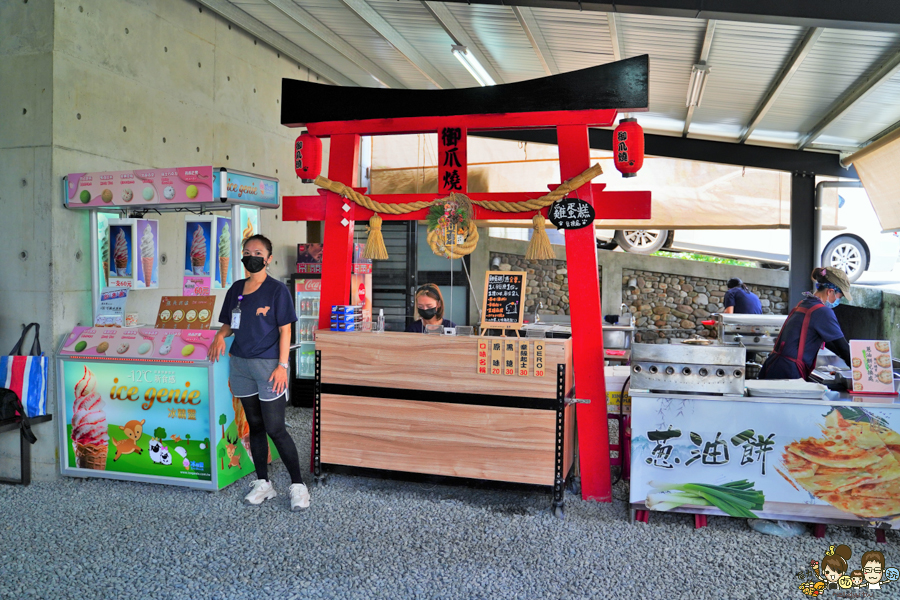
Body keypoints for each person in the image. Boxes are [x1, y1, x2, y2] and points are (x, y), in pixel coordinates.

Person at [208, 234, 310, 511]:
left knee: (276, 428)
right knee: (255, 425)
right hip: (240, 364)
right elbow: (230, 321)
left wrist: (282, 366)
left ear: (268, 259)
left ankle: (298, 486)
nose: (250, 256)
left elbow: (285, 329)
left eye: (257, 252)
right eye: (246, 251)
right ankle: (263, 483)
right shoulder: (237, 288)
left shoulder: (277, 291)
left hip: (268, 366)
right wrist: (220, 335)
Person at [758, 267, 852, 381]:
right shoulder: (823, 312)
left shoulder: (804, 304)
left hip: (774, 365)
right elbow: (843, 348)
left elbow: (831, 343)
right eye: (840, 297)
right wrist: (860, 370)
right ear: (830, 291)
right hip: (788, 372)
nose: (838, 301)